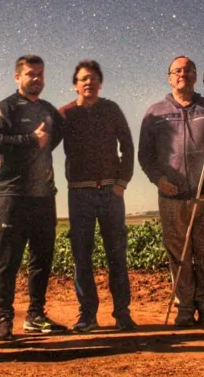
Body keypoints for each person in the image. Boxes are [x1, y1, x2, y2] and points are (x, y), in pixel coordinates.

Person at [138, 55, 204, 327]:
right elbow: (145, 155)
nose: (183, 74)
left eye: (188, 70)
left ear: (196, 76)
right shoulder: (154, 112)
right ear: (170, 77)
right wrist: (158, 180)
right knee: (179, 253)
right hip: (171, 194)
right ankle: (184, 309)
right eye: (177, 70)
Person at [0, 55, 68, 341]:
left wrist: (39, 149)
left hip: (44, 196)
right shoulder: (4, 107)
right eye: (31, 74)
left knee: (41, 259)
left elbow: (57, 136)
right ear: (17, 77)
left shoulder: (50, 111)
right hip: (13, 195)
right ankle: (4, 319)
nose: (37, 79)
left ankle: (35, 316)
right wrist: (30, 141)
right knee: (8, 260)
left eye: (40, 75)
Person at [58, 60, 137, 332]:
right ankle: (87, 316)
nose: (88, 83)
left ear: (100, 83)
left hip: (110, 193)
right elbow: (43, 145)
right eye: (83, 79)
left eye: (93, 78)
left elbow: (127, 145)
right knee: (82, 257)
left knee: (117, 255)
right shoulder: (65, 114)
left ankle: (122, 314)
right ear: (75, 84)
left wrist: (122, 182)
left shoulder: (111, 109)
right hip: (79, 193)